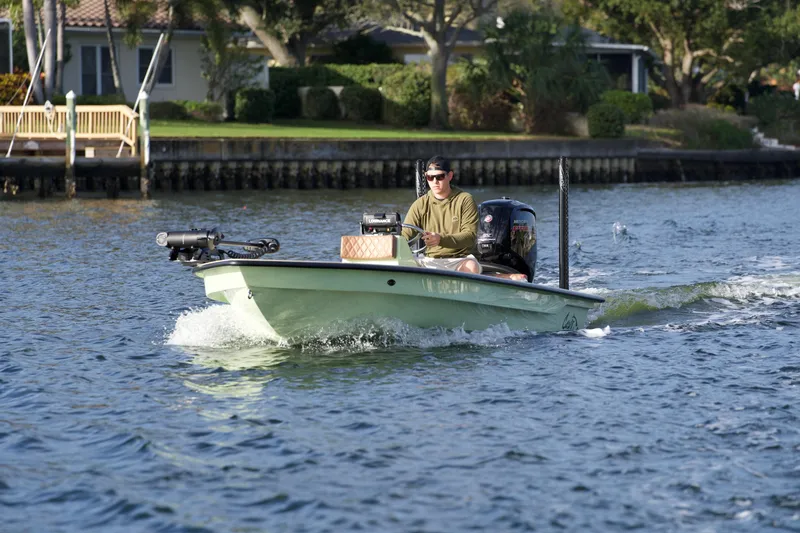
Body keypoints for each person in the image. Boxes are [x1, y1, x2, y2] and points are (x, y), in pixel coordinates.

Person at [401, 155, 482, 274]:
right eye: (430, 177)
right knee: (400, 264)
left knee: (471, 267)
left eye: (439, 177)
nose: (435, 181)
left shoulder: (465, 200)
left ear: (450, 176)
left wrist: (441, 239)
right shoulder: (420, 204)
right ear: (425, 177)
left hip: (460, 259)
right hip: (429, 261)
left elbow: (469, 237)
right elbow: (404, 234)